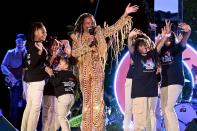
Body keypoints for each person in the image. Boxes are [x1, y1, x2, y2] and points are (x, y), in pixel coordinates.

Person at [70, 3, 139, 131]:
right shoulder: (77, 37)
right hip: (84, 72)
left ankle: (98, 128)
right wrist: (87, 45)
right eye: (87, 22)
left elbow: (113, 28)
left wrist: (125, 14)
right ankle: (86, 128)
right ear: (82, 24)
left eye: (91, 22)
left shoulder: (98, 32)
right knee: (87, 103)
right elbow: (74, 53)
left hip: (97, 70)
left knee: (96, 102)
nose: (89, 24)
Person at [128, 27, 168, 131]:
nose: (144, 47)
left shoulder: (152, 55)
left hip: (152, 92)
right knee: (139, 123)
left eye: (145, 45)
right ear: (137, 48)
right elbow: (130, 48)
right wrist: (130, 38)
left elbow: (158, 47)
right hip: (139, 93)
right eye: (141, 45)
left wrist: (164, 37)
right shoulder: (136, 56)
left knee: (151, 119)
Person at [159, 20, 191, 131]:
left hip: (176, 82)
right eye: (167, 37)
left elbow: (184, 41)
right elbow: (155, 50)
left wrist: (188, 32)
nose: (168, 39)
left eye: (170, 37)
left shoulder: (176, 48)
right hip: (164, 83)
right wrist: (163, 36)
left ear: (173, 40)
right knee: (164, 110)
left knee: (168, 108)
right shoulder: (161, 51)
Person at [21, 22, 48, 131]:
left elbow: (31, 64)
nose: (45, 34)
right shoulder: (35, 46)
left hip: (32, 81)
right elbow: (30, 64)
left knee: (30, 106)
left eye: (45, 32)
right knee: (35, 108)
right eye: (43, 32)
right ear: (36, 32)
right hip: (36, 81)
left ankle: (24, 129)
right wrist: (40, 52)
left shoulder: (32, 45)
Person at [1, 33, 27, 129]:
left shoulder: (28, 54)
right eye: (18, 41)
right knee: (14, 108)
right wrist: (10, 75)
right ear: (16, 41)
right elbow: (2, 66)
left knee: (27, 107)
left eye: (22, 41)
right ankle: (13, 128)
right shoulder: (10, 53)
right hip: (15, 84)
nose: (20, 43)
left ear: (25, 42)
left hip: (27, 84)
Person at [45, 57, 77, 131]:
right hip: (71, 98)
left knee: (61, 117)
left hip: (63, 98)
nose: (59, 65)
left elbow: (55, 83)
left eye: (60, 64)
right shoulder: (73, 76)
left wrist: (51, 74)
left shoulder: (61, 73)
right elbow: (75, 88)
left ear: (66, 66)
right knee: (63, 117)